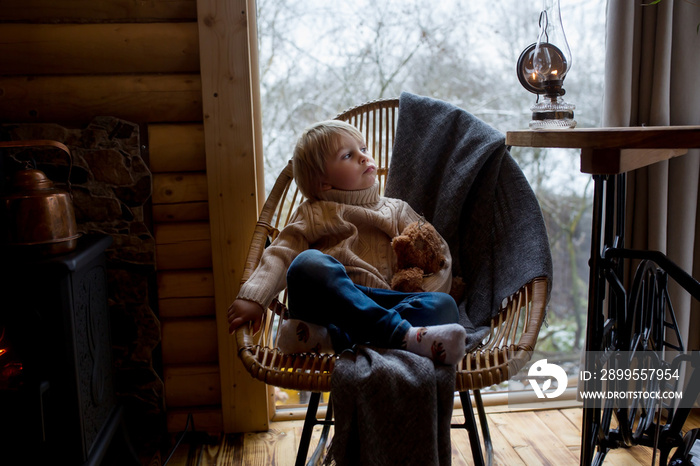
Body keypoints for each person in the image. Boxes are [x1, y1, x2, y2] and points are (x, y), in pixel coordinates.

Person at [227, 120, 466, 364]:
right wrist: (254, 297)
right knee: (307, 264)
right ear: (324, 183)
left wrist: (423, 289)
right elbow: (280, 253)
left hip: (384, 300)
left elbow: (438, 254)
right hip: (330, 307)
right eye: (349, 155)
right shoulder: (313, 213)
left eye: (363, 149)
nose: (364, 157)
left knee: (445, 305)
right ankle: (400, 335)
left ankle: (334, 340)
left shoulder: (396, 209)